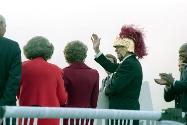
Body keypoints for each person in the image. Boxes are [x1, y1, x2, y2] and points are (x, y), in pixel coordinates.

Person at [91, 25, 147, 125]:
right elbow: (111, 67)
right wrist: (97, 50)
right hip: (124, 114)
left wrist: (105, 89)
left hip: (125, 115)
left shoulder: (129, 64)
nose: (115, 50)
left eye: (118, 47)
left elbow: (113, 88)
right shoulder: (129, 62)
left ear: (127, 47)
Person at [17, 36, 67, 125]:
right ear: (49, 50)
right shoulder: (56, 70)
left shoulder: (21, 68)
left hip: (27, 118)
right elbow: (63, 99)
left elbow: (17, 93)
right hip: (50, 119)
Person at [63, 40, 99, 125]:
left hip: (69, 116)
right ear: (84, 55)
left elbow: (62, 98)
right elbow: (94, 102)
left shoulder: (64, 72)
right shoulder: (94, 73)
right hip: (87, 116)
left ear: (67, 55)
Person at [155, 43, 187, 122]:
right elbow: (168, 98)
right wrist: (168, 85)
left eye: (182, 52)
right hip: (181, 117)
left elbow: (185, 85)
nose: (180, 55)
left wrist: (173, 81)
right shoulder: (183, 71)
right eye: (179, 53)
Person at [0, 14, 21, 125]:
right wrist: (2, 106)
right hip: (6, 109)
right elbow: (14, 79)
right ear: (1, 25)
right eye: (5, 26)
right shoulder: (12, 47)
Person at [96, 54, 117, 125]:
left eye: (109, 63)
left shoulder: (117, 78)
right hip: (105, 112)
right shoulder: (103, 80)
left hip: (115, 112)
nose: (107, 65)